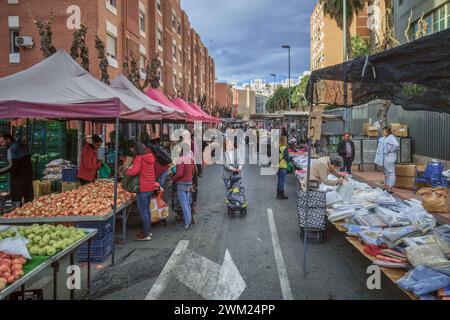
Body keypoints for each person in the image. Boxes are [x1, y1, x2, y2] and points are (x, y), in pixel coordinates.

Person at [126, 142, 159, 241]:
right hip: (150, 187)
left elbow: (134, 171)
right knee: (146, 211)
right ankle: (147, 230)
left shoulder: (139, 158)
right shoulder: (149, 156)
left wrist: (125, 171)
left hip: (143, 188)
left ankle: (146, 234)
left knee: (143, 211)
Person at [0, 134, 33, 204]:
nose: (1, 145)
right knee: (29, 201)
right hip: (28, 178)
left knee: (16, 202)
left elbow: (12, 165)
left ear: (8, 140)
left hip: (17, 180)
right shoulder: (24, 146)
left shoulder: (11, 149)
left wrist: (1, 171)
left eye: (2, 142)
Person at [172, 146, 196, 229]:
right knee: (187, 203)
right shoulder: (190, 160)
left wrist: (173, 180)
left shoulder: (181, 159)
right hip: (189, 182)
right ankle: (189, 220)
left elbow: (179, 173)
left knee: (183, 204)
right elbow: (193, 171)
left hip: (182, 183)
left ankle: (187, 222)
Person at [375, 126, 399, 193]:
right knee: (386, 172)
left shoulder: (391, 138)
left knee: (391, 172)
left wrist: (391, 150)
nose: (382, 132)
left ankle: (390, 187)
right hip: (385, 157)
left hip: (389, 157)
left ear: (387, 132)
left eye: (384, 131)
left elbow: (396, 145)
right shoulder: (385, 138)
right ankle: (386, 185)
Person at [276, 135, 291, 200]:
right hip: (283, 166)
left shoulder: (279, 147)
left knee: (279, 180)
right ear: (284, 140)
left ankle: (278, 194)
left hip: (278, 166)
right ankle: (281, 195)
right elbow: (287, 158)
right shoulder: (285, 148)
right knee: (282, 181)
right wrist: (290, 163)